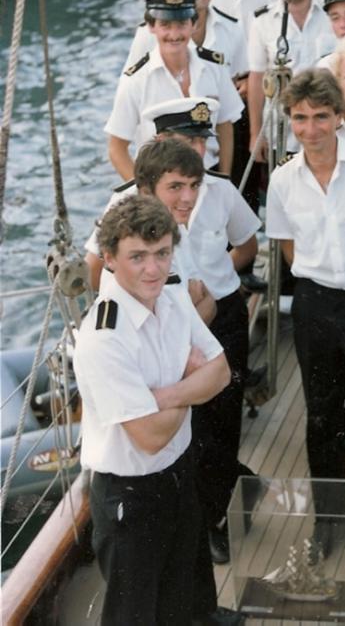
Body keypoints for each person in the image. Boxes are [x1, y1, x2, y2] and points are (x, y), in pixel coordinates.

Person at [265, 69, 345, 588]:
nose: (311, 128)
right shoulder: (282, 180)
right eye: (300, 117)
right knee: (322, 419)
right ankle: (329, 523)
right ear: (290, 120)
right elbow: (289, 247)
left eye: (322, 116)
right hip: (315, 304)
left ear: (340, 116)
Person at [73, 194, 231, 625]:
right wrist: (186, 382)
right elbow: (149, 437)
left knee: (179, 604)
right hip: (130, 496)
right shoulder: (104, 337)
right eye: (137, 256)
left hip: (179, 475)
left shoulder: (173, 298)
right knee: (135, 615)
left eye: (162, 254)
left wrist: (161, 397)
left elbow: (219, 372)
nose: (153, 269)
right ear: (109, 258)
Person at [105, 0, 243, 180]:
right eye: (165, 25)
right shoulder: (135, 80)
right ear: (151, 26)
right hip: (160, 182)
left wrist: (223, 178)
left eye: (181, 24)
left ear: (193, 24)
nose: (174, 34)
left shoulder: (214, 66)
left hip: (209, 174)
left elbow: (225, 125)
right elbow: (117, 149)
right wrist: (146, 194)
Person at [208, 0, 279, 291]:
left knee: (246, 183)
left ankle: (243, 265)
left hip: (251, 97)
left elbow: (309, 7)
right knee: (211, 179)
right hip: (210, 101)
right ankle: (212, 261)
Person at [247, 0, 336, 161]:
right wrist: (256, 134)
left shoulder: (333, 15)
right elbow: (257, 79)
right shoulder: (262, 22)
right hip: (281, 135)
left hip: (329, 131)